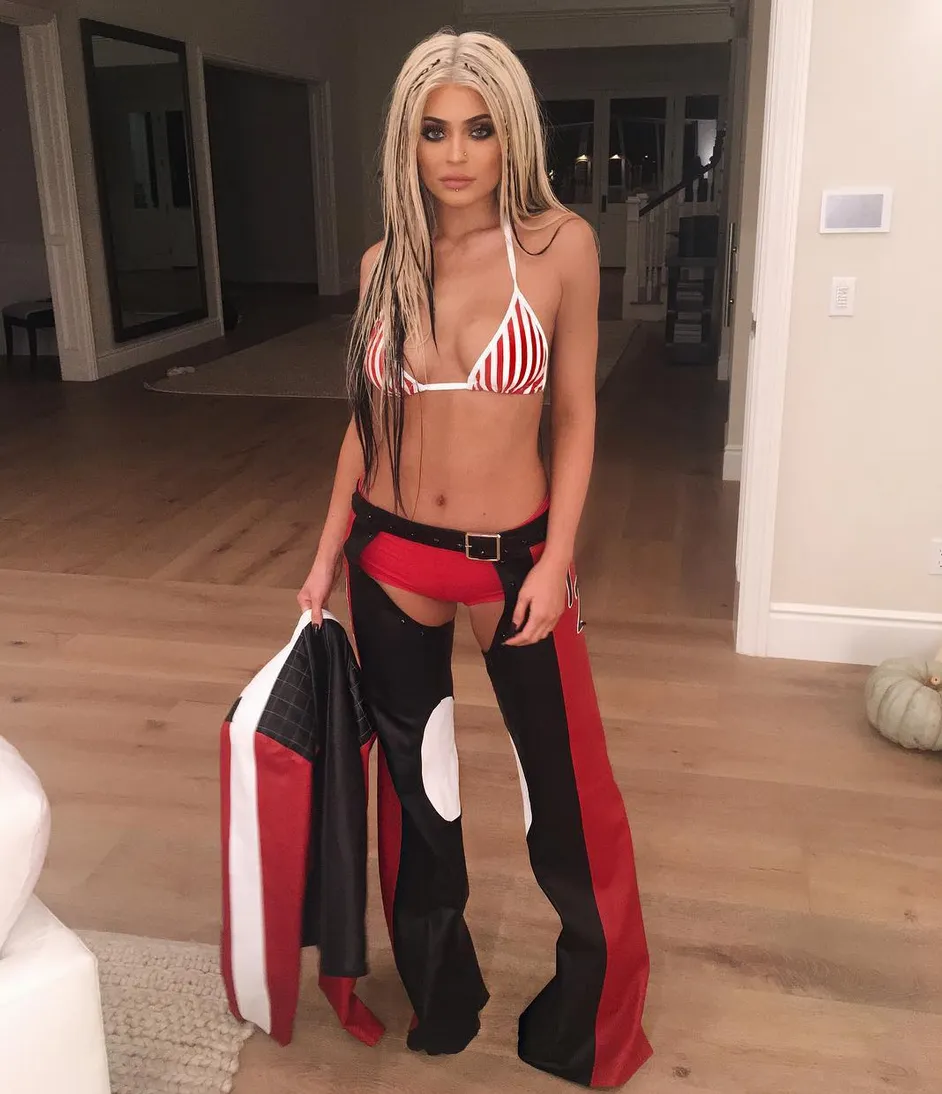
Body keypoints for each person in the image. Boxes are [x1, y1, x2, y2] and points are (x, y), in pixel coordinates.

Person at [297, 28, 652, 1089]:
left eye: (479, 129)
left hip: (514, 562)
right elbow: (364, 426)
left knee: (566, 791)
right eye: (434, 131)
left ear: (513, 136)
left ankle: (588, 1021)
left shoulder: (560, 246)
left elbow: (577, 416)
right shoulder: (383, 264)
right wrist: (325, 552)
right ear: (407, 144)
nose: (456, 154)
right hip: (391, 553)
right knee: (420, 791)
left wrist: (558, 557)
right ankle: (441, 994)